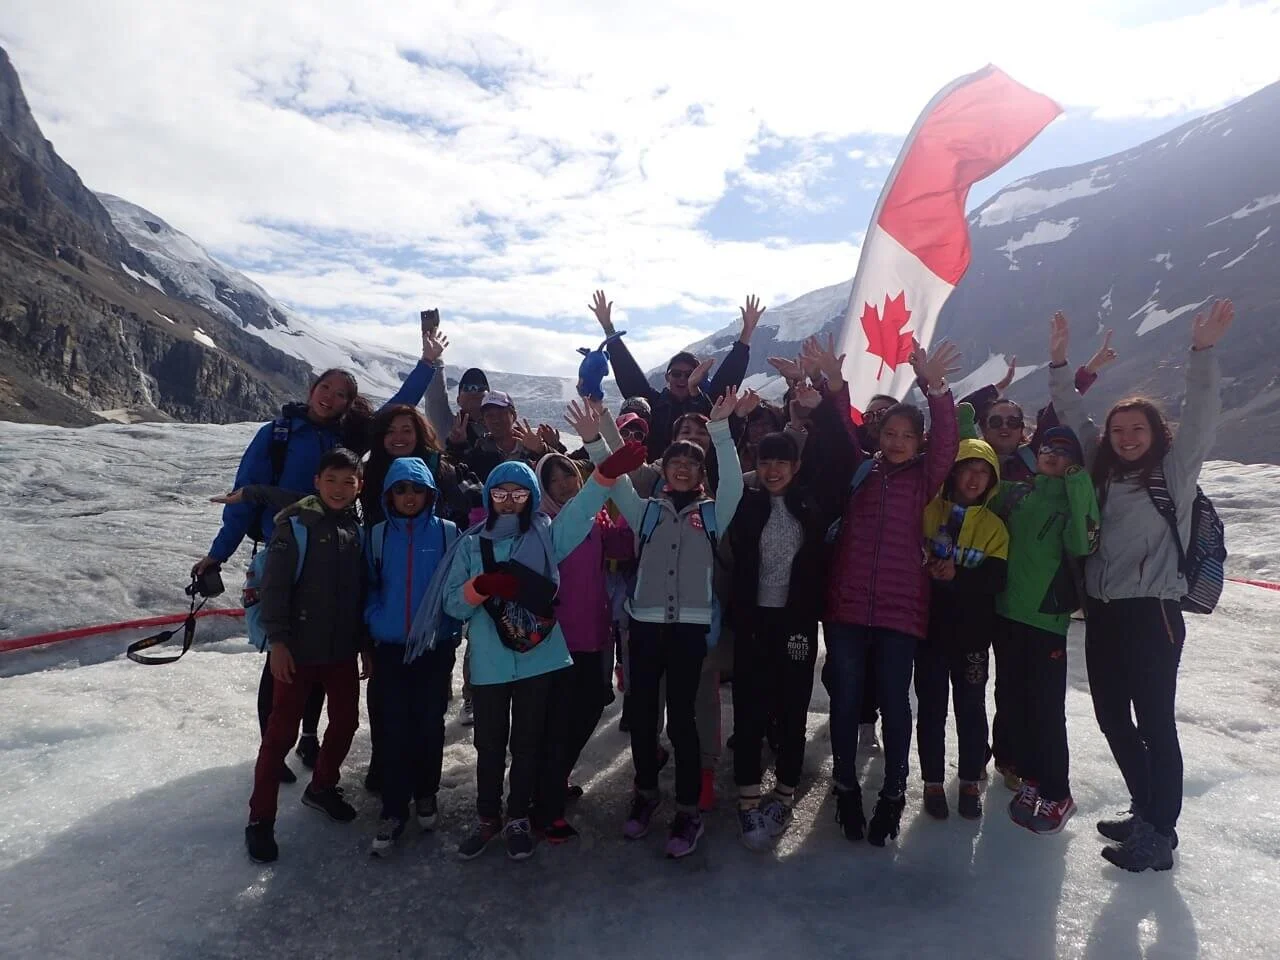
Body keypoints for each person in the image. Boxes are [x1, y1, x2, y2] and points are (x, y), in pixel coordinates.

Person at [196, 333, 445, 781]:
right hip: (284, 549)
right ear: (312, 389)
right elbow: (243, 497)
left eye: (342, 394)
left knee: (323, 649)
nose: (331, 397)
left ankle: (308, 736)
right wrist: (217, 554)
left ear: (349, 403)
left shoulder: (348, 435)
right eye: (325, 388)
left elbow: (395, 409)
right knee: (282, 655)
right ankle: (273, 747)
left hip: (332, 548)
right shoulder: (276, 435)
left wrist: (427, 365)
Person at [1050, 301, 1233, 872]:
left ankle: (1161, 833)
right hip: (1103, 613)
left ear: (1156, 433)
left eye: (1138, 428)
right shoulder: (1101, 474)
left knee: (1155, 722)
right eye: (1118, 430)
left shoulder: (1173, 474)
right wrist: (1059, 363)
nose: (1127, 437)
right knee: (1111, 717)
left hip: (1153, 613)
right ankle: (1145, 808)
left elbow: (1201, 417)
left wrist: (1202, 351)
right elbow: (1070, 413)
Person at [441, 405, 642, 862]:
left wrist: (605, 473)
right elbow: (452, 603)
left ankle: (517, 816)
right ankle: (487, 817)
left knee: (528, 743)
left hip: (539, 659)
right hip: (491, 663)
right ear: (489, 495)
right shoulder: (472, 544)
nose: (509, 501)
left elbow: (582, 511)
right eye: (500, 493)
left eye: (518, 494)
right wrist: (479, 587)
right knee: (490, 745)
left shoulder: (547, 535)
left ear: (531, 496)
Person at [813, 335, 960, 847]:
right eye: (890, 432)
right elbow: (838, 429)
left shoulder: (925, 478)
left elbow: (949, 442)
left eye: (906, 435)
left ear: (919, 442)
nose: (896, 442)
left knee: (896, 702)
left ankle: (894, 791)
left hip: (902, 609)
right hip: (848, 606)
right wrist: (835, 383)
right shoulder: (861, 469)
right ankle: (846, 786)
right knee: (846, 698)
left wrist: (936, 390)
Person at [584, 388, 744, 858]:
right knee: (643, 718)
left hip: (689, 631)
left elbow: (734, 485)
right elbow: (614, 480)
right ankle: (646, 793)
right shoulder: (647, 511)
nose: (683, 467)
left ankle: (688, 810)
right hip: (646, 627)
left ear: (701, 472)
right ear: (665, 469)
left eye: (692, 463)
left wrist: (720, 430)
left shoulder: (713, 514)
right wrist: (595, 440)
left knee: (684, 723)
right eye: (676, 461)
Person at [243, 448, 372, 864]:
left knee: (346, 722)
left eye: (348, 482)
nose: (339, 489)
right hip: (297, 652)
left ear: (359, 487)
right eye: (331, 480)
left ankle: (322, 786)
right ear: (317, 482)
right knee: (280, 735)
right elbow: (274, 590)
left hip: (340, 651)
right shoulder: (295, 526)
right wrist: (277, 643)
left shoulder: (355, 530)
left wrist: (364, 645)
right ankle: (260, 819)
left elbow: (358, 595)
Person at [726, 430, 834, 849]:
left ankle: (785, 794)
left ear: (796, 466)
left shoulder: (810, 505)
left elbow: (841, 452)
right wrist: (727, 423)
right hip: (753, 620)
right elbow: (721, 472)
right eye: (765, 461)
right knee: (749, 711)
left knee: (792, 711)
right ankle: (749, 799)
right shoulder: (746, 504)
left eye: (781, 462)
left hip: (796, 622)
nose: (772, 470)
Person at [989, 421, 1098, 835]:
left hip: (1046, 619)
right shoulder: (1018, 493)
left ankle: (1058, 791)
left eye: (1064, 451)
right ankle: (1031, 775)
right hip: (1007, 614)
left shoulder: (1072, 501)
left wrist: (1077, 480)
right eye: (1048, 448)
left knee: (1047, 709)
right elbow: (975, 483)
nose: (1053, 455)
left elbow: (1084, 541)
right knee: (1013, 698)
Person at [533, 450, 634, 841]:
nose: (564, 485)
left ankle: (553, 780)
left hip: (594, 631)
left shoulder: (596, 517)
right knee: (560, 720)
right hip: (559, 637)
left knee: (590, 707)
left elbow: (620, 548)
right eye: (554, 480)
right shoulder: (545, 523)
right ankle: (546, 808)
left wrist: (628, 513)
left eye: (569, 476)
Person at [362, 457, 460, 855]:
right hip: (390, 647)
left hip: (434, 646)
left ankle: (426, 792)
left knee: (429, 722)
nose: (409, 497)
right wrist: (375, 620)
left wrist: (448, 625)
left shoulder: (447, 532)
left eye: (417, 489)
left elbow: (457, 584)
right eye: (401, 489)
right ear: (389, 494)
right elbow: (368, 585)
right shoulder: (377, 536)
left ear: (430, 494)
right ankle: (393, 807)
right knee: (392, 726)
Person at [915, 426, 1009, 822]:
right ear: (953, 472)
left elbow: (996, 580)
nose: (974, 478)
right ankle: (933, 782)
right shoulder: (928, 512)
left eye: (983, 472)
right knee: (931, 708)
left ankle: (970, 779)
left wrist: (958, 574)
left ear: (992, 480)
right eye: (967, 468)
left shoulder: (994, 528)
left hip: (972, 635)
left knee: (971, 708)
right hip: (930, 632)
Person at [590, 289, 757, 459]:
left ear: (699, 377)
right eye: (676, 373)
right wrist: (609, 329)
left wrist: (747, 333)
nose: (683, 378)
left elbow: (728, 378)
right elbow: (628, 373)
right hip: (653, 473)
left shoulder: (709, 404)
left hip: (699, 472)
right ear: (667, 377)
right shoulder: (651, 404)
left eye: (689, 374)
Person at [452, 391, 547, 483]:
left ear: (514, 416)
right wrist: (457, 446)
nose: (496, 420)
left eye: (501, 413)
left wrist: (541, 450)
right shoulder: (479, 451)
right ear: (484, 421)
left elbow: (553, 474)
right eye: (490, 415)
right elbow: (456, 474)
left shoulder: (532, 445)